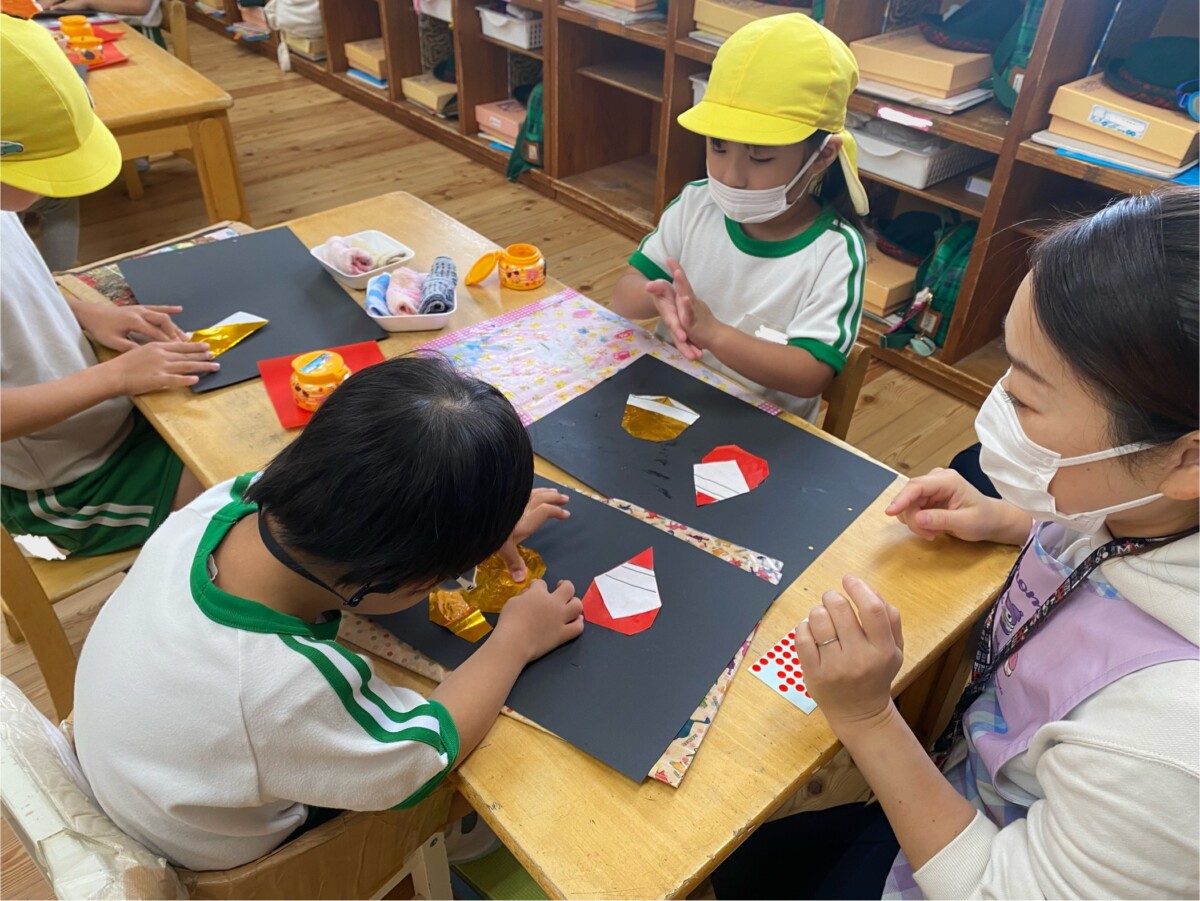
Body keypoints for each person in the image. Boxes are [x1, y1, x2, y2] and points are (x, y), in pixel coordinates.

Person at [713, 187, 1199, 898]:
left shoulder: (1167, 744)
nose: (995, 404)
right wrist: (1015, 521)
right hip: (952, 793)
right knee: (755, 862)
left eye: (1026, 396)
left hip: (966, 865)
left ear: (1187, 459)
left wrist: (867, 717)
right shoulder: (1142, 504)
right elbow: (1124, 560)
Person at [73, 355, 586, 871]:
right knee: (490, 775)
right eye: (450, 573)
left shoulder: (221, 505)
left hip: (149, 773)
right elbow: (423, 754)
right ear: (402, 578)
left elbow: (373, 484)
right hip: (226, 860)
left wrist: (469, 530)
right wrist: (514, 641)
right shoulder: (284, 685)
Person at [1, 13, 217, 557]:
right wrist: (116, 376)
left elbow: (19, 285)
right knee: (248, 498)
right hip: (69, 489)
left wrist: (84, 312)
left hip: (104, 424)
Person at [611, 13, 869, 422]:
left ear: (822, 155)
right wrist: (656, 296)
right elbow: (623, 294)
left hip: (759, 426)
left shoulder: (834, 252)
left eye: (760, 157)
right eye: (718, 147)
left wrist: (714, 334)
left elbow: (810, 374)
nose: (731, 176)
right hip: (665, 395)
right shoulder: (696, 204)